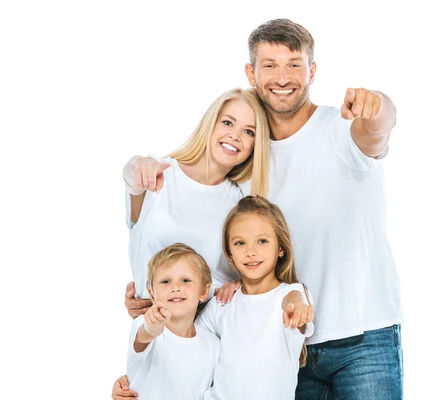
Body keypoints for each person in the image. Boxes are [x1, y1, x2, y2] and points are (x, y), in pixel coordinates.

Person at [115, 18, 403, 399]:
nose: (282, 77)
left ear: (312, 71)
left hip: (363, 334)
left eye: (294, 64)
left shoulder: (341, 129)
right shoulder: (245, 171)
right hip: (284, 345)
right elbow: (196, 243)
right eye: (270, 65)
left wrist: (378, 105)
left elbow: (377, 131)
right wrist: (155, 289)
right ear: (252, 73)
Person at [122, 87, 270, 314]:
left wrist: (237, 288)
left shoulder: (239, 204)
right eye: (228, 123)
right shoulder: (160, 174)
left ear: (255, 146)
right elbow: (131, 176)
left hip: (206, 334)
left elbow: (249, 269)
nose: (235, 136)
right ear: (210, 123)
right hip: (151, 335)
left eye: (249, 132)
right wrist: (138, 164)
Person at [198, 195, 314, 399]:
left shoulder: (290, 293)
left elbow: (295, 301)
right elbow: (186, 342)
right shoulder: (223, 302)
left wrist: (296, 308)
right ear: (230, 253)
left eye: (262, 241)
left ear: (280, 248)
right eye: (240, 243)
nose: (250, 252)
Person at [127, 243, 219, 400]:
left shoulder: (212, 344)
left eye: (185, 280)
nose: (175, 287)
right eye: (165, 281)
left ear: (203, 292)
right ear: (152, 293)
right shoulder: (144, 325)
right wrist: (151, 328)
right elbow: (143, 338)